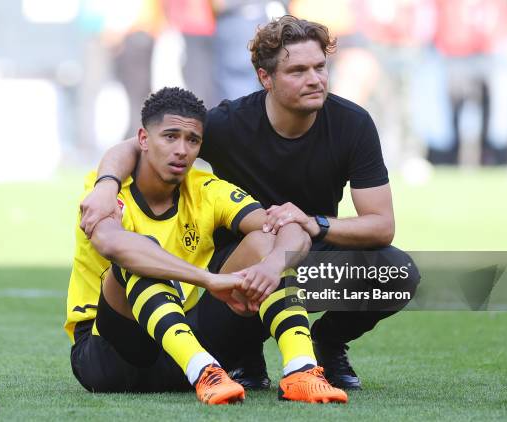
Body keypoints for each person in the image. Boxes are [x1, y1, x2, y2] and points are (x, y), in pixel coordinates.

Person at [80, 16, 421, 390]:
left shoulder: (352, 124)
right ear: (265, 78)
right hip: (240, 268)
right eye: (298, 70)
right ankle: (244, 351)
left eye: (320, 67)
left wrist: (314, 223)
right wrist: (106, 184)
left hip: (303, 256)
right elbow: (141, 144)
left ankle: (328, 342)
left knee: (397, 273)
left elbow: (381, 225)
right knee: (258, 247)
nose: (315, 79)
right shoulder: (229, 123)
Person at [65, 87, 348, 404]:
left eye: (192, 140)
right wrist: (207, 280)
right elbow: (110, 242)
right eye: (170, 137)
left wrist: (271, 267)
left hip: (186, 346)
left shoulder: (207, 189)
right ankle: (204, 372)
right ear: (143, 140)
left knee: (268, 242)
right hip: (111, 356)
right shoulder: (105, 188)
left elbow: (292, 228)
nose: (182, 150)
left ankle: (302, 371)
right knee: (138, 254)